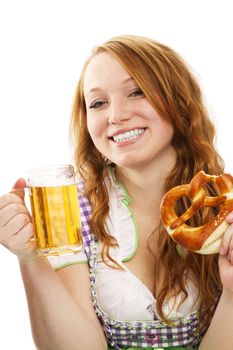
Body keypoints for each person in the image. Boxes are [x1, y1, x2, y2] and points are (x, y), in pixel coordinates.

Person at [0, 35, 233, 350]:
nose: (115, 116)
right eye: (98, 103)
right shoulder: (70, 209)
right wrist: (31, 259)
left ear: (178, 100)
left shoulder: (224, 207)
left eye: (136, 92)